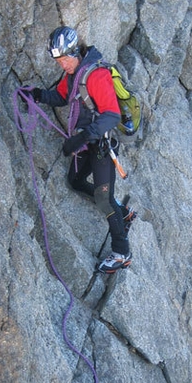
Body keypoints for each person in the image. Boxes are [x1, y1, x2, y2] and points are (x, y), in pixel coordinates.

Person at [29, 26, 135, 274]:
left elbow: (111, 115)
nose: (63, 65)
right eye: (59, 61)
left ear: (76, 52)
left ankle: (122, 253)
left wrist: (81, 139)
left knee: (103, 198)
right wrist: (37, 96)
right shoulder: (74, 74)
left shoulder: (95, 76)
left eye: (65, 59)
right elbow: (62, 97)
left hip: (101, 145)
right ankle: (124, 213)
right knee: (75, 180)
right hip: (88, 143)